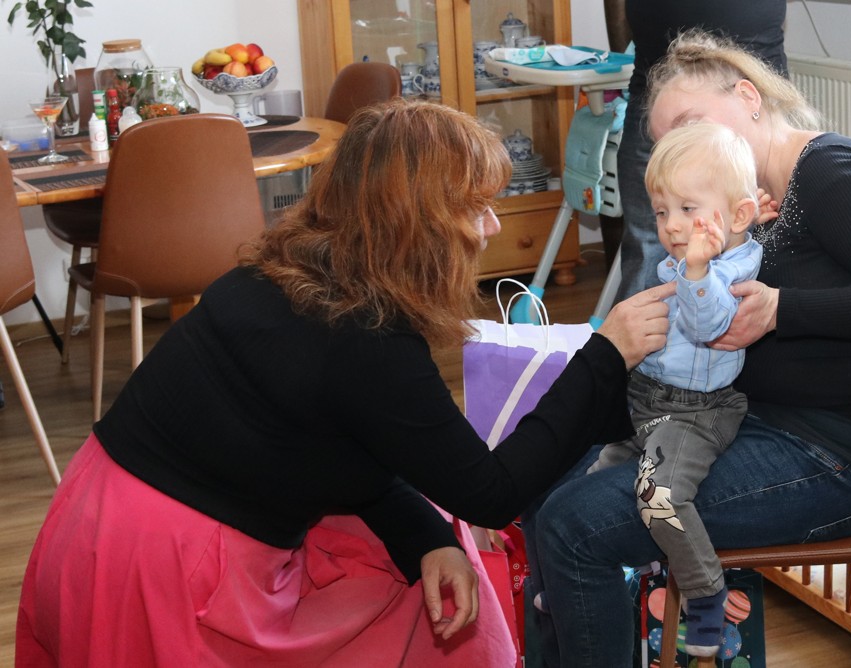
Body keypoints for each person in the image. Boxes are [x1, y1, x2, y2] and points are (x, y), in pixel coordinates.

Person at [15, 99, 673, 668]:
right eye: (475, 209)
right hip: (161, 564)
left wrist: (426, 537)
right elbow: (490, 493)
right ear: (418, 221)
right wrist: (604, 355)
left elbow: (340, 444)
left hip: (95, 516)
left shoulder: (284, 274)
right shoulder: (367, 337)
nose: (492, 227)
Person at [523, 30, 851, 666]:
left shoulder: (832, 171)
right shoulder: (744, 209)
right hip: (766, 424)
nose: (683, 147)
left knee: (576, 523)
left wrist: (782, 309)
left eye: (691, 122)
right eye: (667, 141)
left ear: (749, 97)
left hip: (850, 455)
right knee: (548, 476)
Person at [584, 122, 761, 656]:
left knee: (657, 496)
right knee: (592, 485)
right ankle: (610, 579)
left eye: (687, 208)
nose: (672, 225)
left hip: (695, 413)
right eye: (662, 212)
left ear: (737, 217)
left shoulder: (727, 269)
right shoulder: (695, 257)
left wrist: (699, 269)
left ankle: (706, 593)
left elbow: (710, 325)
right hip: (649, 398)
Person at [611, 0, 788, 302]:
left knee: (765, 230)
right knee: (649, 240)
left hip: (739, 94)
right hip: (654, 90)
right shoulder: (661, 117)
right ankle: (636, 332)